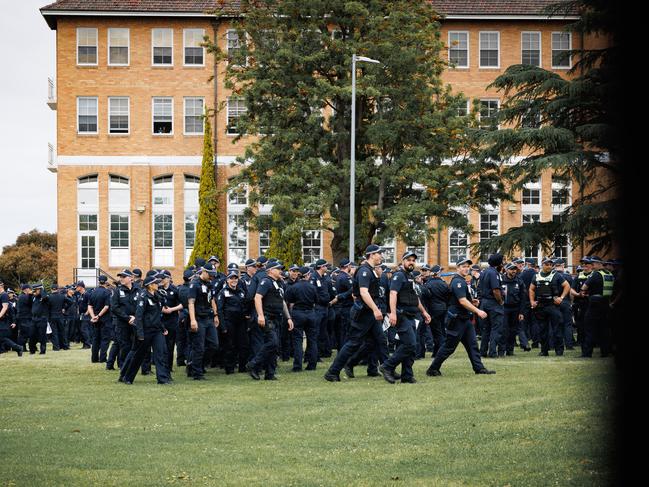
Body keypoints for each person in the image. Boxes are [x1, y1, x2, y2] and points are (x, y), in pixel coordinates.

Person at [324, 245, 388, 382]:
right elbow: (363, 293)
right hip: (364, 313)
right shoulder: (364, 271)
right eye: (379, 254)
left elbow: (355, 293)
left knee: (378, 341)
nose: (381, 256)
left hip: (369, 312)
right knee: (353, 343)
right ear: (371, 255)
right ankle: (332, 372)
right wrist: (376, 309)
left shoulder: (370, 270)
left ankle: (388, 368)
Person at [426, 258, 495, 377]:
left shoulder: (461, 281)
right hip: (457, 319)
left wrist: (471, 301)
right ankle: (433, 368)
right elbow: (462, 301)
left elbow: (462, 300)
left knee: (473, 345)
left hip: (464, 319)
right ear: (457, 268)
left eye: (467, 267)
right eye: (463, 266)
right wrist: (478, 311)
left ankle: (479, 368)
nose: (466, 269)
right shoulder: (458, 281)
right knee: (449, 347)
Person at [379, 251, 431, 384]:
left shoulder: (411, 276)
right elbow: (393, 294)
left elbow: (414, 297)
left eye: (413, 260)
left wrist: (424, 312)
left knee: (411, 346)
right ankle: (387, 366)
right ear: (403, 261)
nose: (411, 262)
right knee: (410, 344)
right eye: (408, 260)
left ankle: (407, 376)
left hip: (412, 315)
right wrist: (393, 313)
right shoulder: (399, 275)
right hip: (402, 315)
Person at [247, 261, 294, 380]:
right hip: (268, 317)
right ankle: (253, 364)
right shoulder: (265, 281)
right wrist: (261, 315)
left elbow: (282, 301)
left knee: (275, 345)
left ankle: (270, 373)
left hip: (277, 318)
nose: (280, 271)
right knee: (272, 342)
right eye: (278, 269)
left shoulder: (279, 283)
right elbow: (257, 298)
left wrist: (288, 317)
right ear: (270, 270)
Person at [121, 274, 171, 385]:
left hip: (157, 330)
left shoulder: (157, 296)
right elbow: (138, 316)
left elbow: (157, 314)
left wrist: (162, 328)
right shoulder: (143, 296)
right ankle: (128, 377)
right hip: (145, 331)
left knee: (160, 353)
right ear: (149, 286)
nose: (158, 285)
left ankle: (162, 379)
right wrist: (140, 333)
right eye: (155, 283)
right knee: (139, 355)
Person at [528, 258, 571, 356]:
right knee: (542, 330)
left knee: (557, 329)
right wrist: (532, 301)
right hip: (540, 306)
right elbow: (531, 289)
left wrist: (561, 297)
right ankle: (544, 351)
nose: (549, 266)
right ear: (542, 265)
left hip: (553, 305)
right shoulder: (536, 276)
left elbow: (567, 286)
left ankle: (559, 351)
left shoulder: (557, 275)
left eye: (551, 265)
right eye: (547, 264)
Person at [187, 264, 220, 380]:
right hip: (198, 318)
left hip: (209, 318)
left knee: (214, 345)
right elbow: (191, 303)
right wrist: (192, 320)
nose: (211, 277)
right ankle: (197, 373)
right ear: (204, 271)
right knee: (199, 347)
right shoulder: (194, 284)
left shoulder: (209, 284)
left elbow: (212, 300)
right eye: (210, 274)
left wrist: (216, 315)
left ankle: (195, 364)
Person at [579, 256, 614, 358]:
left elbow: (584, 287)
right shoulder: (610, 274)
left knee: (589, 328)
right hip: (606, 303)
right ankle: (605, 352)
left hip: (595, 304)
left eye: (593, 263)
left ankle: (587, 353)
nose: (591, 266)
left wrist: (585, 292)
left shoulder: (596, 275)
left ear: (599, 263)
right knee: (604, 329)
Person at [285, 266, 318, 372]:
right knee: (312, 340)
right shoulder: (312, 287)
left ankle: (297, 366)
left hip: (298, 313)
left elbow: (288, 300)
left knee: (298, 340)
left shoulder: (294, 287)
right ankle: (312, 365)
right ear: (307, 275)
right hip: (310, 313)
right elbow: (316, 300)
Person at [216, 270, 249, 374]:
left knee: (243, 344)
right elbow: (219, 310)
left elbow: (245, 307)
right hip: (228, 322)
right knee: (230, 345)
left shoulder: (241, 292)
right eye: (231, 278)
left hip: (241, 322)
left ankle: (242, 368)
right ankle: (229, 368)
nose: (234, 280)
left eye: (235, 278)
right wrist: (223, 326)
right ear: (227, 280)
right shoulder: (223, 292)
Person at [111, 269, 138, 378]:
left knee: (136, 346)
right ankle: (123, 371)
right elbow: (114, 308)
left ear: (131, 278)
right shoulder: (117, 291)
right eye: (120, 277)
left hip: (136, 322)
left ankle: (134, 369)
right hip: (122, 323)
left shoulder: (138, 289)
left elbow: (142, 305)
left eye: (124, 277)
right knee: (124, 347)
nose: (121, 279)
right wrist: (127, 318)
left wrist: (135, 317)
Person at [479, 254, 505, 358]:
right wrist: (500, 301)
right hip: (493, 303)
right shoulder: (494, 273)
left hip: (484, 302)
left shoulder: (484, 272)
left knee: (486, 329)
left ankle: (483, 351)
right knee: (496, 328)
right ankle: (493, 352)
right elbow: (496, 290)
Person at [501, 263, 529, 355]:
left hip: (515, 308)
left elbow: (523, 297)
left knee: (513, 330)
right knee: (504, 329)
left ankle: (510, 350)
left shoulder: (519, 281)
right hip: (504, 307)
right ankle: (502, 350)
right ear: (506, 270)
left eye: (515, 269)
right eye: (511, 269)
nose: (514, 271)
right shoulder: (501, 279)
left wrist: (521, 312)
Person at [424, 265, 449, 357]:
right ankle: (436, 352)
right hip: (443, 309)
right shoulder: (444, 284)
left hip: (433, 310)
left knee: (436, 332)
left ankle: (442, 352)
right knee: (441, 330)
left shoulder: (428, 284)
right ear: (438, 273)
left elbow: (426, 297)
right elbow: (448, 297)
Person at [159, 270, 182, 372]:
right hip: (160, 320)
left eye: (163, 278)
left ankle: (168, 366)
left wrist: (171, 309)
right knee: (160, 344)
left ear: (168, 278)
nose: (161, 280)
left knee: (170, 344)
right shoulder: (157, 289)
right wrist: (162, 309)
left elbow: (182, 304)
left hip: (172, 320)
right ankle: (161, 365)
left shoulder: (175, 289)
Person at [88, 275, 112, 363]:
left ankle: (94, 358)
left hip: (95, 319)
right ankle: (102, 358)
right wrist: (98, 316)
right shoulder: (107, 292)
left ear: (99, 281)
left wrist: (93, 316)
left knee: (95, 339)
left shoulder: (92, 292)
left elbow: (89, 306)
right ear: (106, 282)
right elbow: (106, 307)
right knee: (105, 339)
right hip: (104, 319)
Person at [0, 281, 23, 356]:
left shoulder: (4, 295)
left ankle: (18, 348)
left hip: (3, 320)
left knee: (3, 338)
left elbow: (5, 307)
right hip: (2, 320)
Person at [47, 284, 68, 351]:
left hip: (52, 316)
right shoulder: (62, 296)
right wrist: (64, 308)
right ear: (57, 289)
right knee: (62, 331)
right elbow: (71, 302)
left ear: (51, 289)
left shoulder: (49, 297)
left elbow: (47, 308)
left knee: (54, 332)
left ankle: (56, 347)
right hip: (60, 315)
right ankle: (65, 346)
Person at [31, 283, 49, 355]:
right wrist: (33, 293)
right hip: (34, 318)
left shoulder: (44, 297)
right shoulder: (34, 297)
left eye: (36, 290)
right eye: (34, 290)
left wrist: (41, 290)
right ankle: (32, 350)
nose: (35, 291)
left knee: (42, 336)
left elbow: (45, 297)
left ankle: (43, 350)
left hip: (42, 318)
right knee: (32, 334)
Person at [16, 284, 34, 353]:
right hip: (24, 317)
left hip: (23, 317)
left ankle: (22, 348)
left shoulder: (22, 296)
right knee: (25, 333)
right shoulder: (23, 296)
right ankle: (21, 347)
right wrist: (30, 295)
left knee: (23, 334)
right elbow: (30, 303)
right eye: (30, 289)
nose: (31, 290)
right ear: (26, 289)